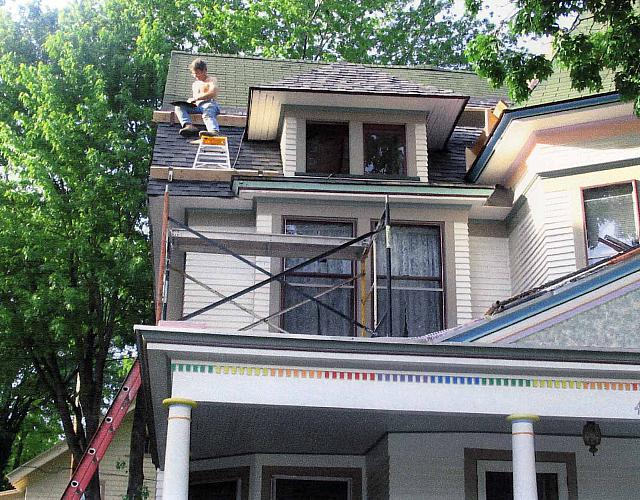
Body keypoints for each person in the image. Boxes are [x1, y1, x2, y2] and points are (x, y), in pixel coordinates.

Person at [175, 58, 221, 138]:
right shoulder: (195, 84)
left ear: (204, 71)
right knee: (179, 106)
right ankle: (188, 126)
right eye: (194, 73)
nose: (196, 76)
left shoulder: (211, 80)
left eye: (198, 73)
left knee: (207, 113)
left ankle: (213, 131)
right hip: (197, 106)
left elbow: (213, 93)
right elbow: (195, 99)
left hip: (209, 104)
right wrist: (190, 102)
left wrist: (196, 98)